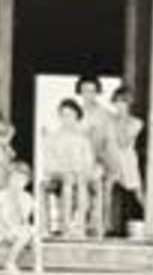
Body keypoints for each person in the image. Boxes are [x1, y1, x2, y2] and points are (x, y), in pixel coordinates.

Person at [40, 98, 96, 237]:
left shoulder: (83, 139)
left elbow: (88, 162)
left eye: (70, 115)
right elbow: (48, 163)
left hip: (78, 177)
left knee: (79, 180)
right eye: (63, 115)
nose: (66, 119)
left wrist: (81, 171)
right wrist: (64, 170)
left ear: (77, 117)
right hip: (57, 176)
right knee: (69, 179)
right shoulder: (53, 138)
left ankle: (79, 225)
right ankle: (66, 226)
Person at [104, 84, 144, 234]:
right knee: (107, 188)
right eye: (117, 102)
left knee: (138, 191)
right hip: (112, 157)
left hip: (127, 160)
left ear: (129, 104)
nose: (119, 105)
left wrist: (121, 121)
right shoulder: (109, 121)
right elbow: (106, 142)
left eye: (123, 102)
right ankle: (106, 223)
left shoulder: (136, 122)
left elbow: (123, 141)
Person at [0, 158, 37, 273]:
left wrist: (26, 226)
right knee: (24, 235)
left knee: (32, 232)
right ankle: (10, 261)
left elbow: (26, 218)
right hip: (2, 228)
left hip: (17, 228)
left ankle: (34, 262)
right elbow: (0, 216)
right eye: (14, 178)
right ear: (9, 180)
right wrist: (12, 228)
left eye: (22, 180)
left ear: (27, 182)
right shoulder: (2, 196)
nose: (17, 182)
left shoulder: (27, 197)